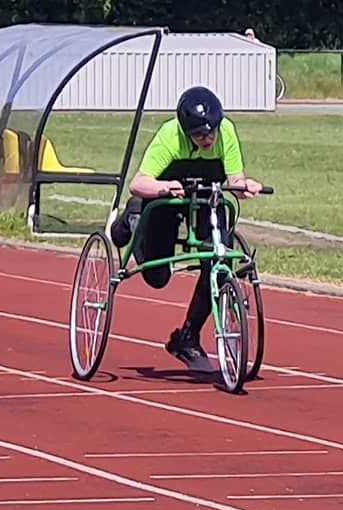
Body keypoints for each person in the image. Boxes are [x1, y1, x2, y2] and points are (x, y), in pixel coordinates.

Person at [110, 85, 263, 372]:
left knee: (217, 260)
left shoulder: (226, 132)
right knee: (157, 278)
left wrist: (247, 186)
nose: (207, 139)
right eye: (199, 135)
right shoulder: (169, 136)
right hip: (167, 198)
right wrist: (162, 187)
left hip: (207, 197)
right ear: (185, 130)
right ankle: (133, 220)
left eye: (211, 132)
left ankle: (188, 337)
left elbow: (235, 179)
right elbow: (138, 182)